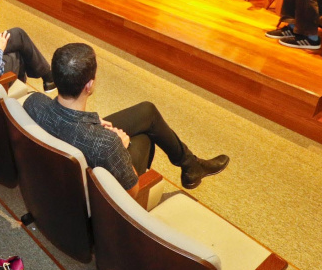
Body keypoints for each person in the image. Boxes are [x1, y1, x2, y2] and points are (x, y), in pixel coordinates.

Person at [24, 43, 229, 191]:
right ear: (89, 85)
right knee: (146, 137)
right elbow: (132, 191)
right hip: (96, 162)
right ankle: (190, 165)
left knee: (147, 112)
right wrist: (122, 145)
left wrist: (94, 123)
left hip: (75, 134)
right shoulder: (107, 144)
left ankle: (191, 166)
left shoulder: (33, 103)